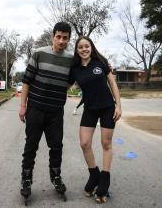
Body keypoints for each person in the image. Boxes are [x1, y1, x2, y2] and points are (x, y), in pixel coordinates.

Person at [18, 22, 73, 201]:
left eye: (65, 38)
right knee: (31, 146)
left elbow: (70, 81)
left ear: (69, 39)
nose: (61, 41)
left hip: (56, 112)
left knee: (56, 146)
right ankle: (26, 180)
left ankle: (56, 177)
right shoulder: (39, 53)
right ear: (53, 36)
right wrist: (23, 106)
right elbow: (26, 81)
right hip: (35, 109)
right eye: (58, 37)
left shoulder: (71, 60)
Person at [69, 36, 122, 203]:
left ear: (91, 47)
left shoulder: (100, 62)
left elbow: (112, 84)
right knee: (84, 143)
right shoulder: (75, 69)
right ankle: (94, 175)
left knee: (106, 144)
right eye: (80, 47)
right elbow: (64, 86)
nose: (84, 49)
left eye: (87, 46)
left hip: (107, 108)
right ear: (77, 51)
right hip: (90, 109)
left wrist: (118, 106)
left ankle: (104, 180)